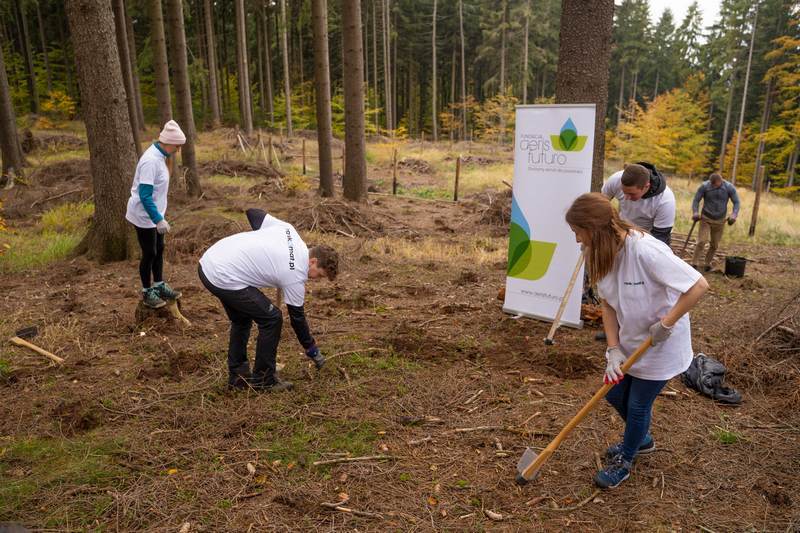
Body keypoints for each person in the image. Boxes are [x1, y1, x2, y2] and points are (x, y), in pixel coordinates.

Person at [565, 193, 708, 489]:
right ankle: (640, 437)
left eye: (578, 232)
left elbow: (698, 285)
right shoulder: (598, 252)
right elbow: (607, 304)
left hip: (660, 343)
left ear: (594, 229)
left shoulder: (646, 251)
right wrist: (613, 348)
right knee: (614, 394)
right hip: (629, 340)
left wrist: (666, 324)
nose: (577, 239)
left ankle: (625, 460)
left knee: (638, 404)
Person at [198, 209, 339, 392]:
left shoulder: (289, 231)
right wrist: (312, 350)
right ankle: (264, 380)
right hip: (223, 275)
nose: (316, 279)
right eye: (319, 275)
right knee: (272, 319)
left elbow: (253, 213)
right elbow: (297, 319)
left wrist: (261, 244)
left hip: (210, 260)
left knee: (242, 319)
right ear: (312, 261)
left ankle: (238, 378)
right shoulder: (296, 275)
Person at [125, 120, 186, 309]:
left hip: (154, 214)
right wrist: (158, 219)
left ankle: (159, 285)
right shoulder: (150, 161)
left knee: (159, 248)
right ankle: (147, 291)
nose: (178, 150)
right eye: (177, 146)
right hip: (143, 215)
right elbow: (144, 195)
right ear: (168, 142)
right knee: (149, 252)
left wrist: (160, 216)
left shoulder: (161, 157)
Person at [602, 162, 676, 246]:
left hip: (648, 238)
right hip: (623, 231)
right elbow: (600, 203)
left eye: (631, 194)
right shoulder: (615, 180)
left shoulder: (665, 200)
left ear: (646, 186)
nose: (626, 197)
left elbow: (660, 238)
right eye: (624, 192)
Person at [691, 172, 741, 272]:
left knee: (714, 244)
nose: (713, 186)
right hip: (706, 218)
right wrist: (695, 212)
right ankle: (694, 263)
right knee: (702, 241)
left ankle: (707, 264)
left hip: (720, 221)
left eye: (715, 184)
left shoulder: (729, 187)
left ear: (720, 181)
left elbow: (736, 202)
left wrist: (734, 215)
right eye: (712, 184)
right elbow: (696, 200)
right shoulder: (704, 186)